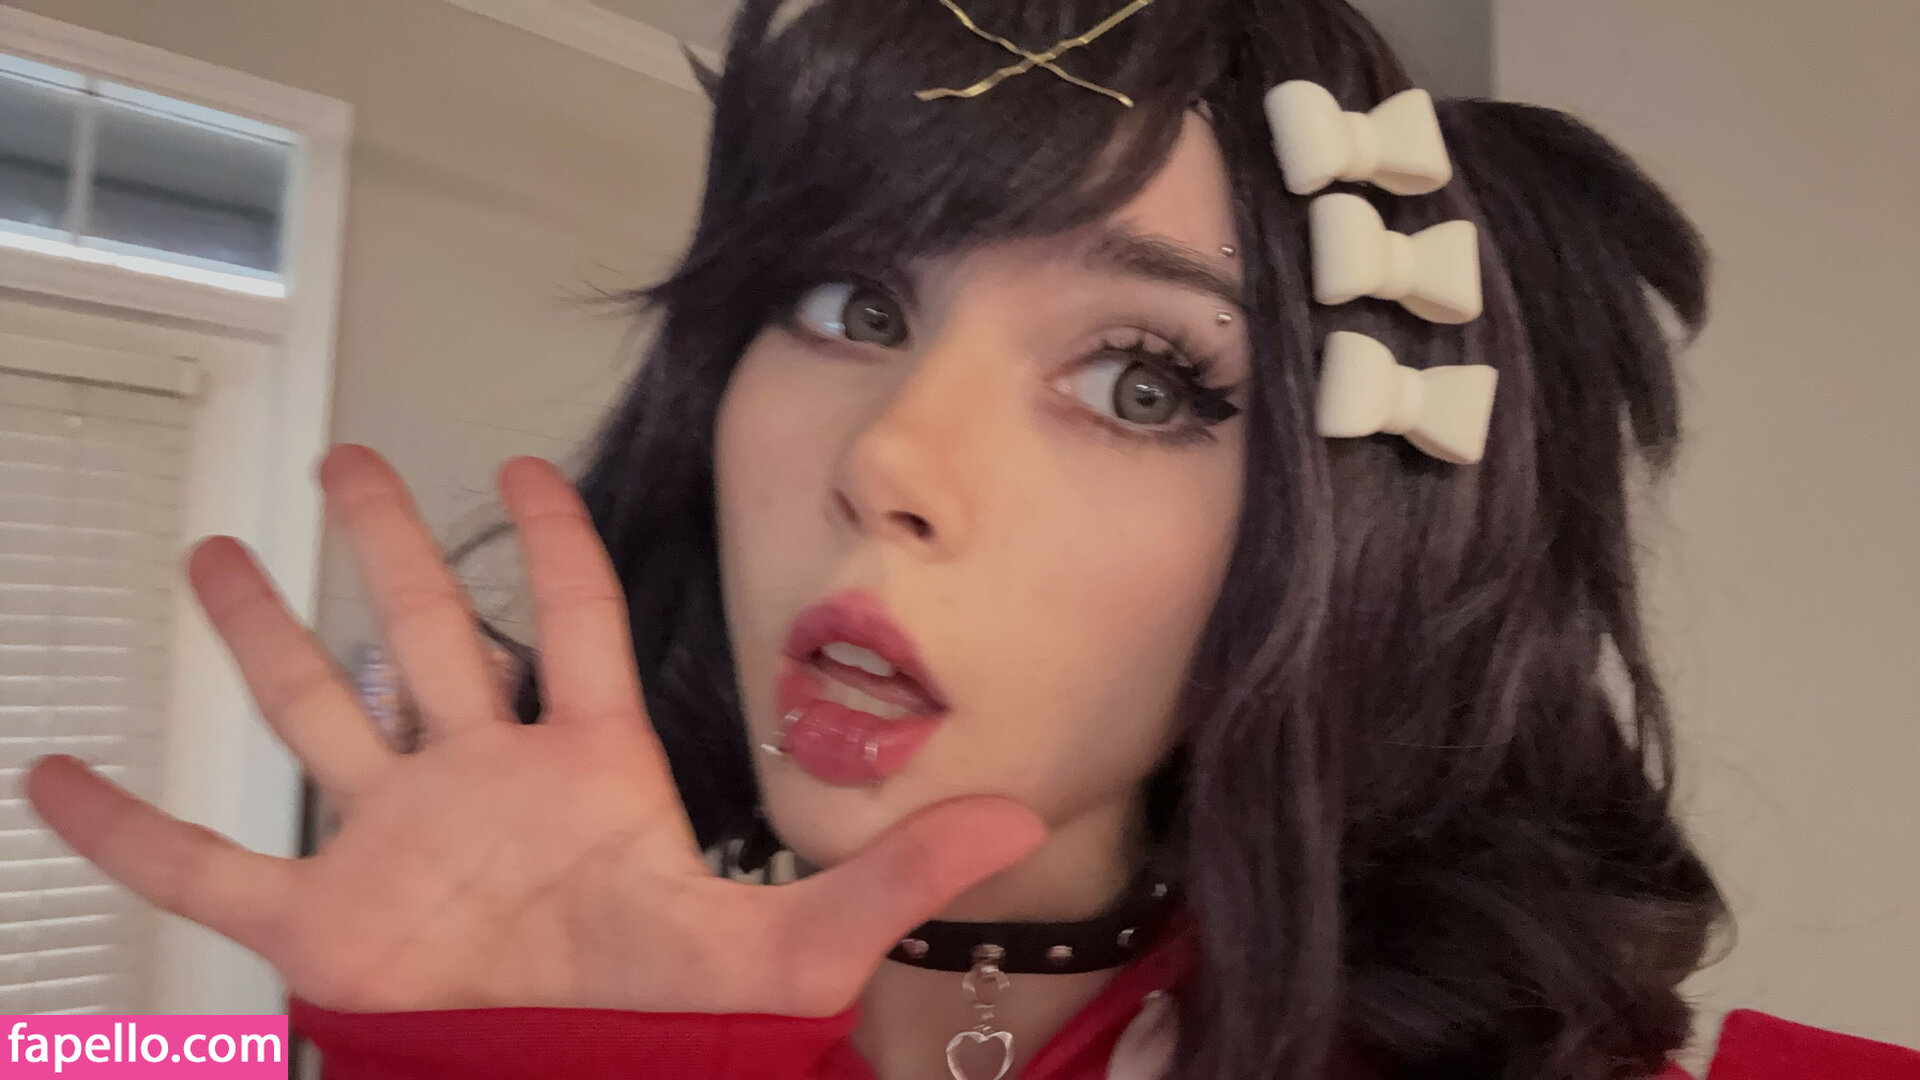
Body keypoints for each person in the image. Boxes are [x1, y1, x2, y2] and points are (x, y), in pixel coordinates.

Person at [22, 0, 1920, 1077]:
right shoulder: (447, 1005)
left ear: (1357, 532)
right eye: (852, 304)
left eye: (1147, 380)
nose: (888, 458)